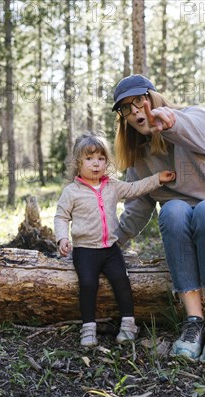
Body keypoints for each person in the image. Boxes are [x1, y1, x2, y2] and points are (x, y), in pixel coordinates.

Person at [111, 74, 205, 366]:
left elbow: (192, 127)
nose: (136, 110)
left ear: (153, 96)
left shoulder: (196, 118)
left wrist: (171, 121)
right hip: (187, 230)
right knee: (173, 209)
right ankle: (193, 322)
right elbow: (137, 208)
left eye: (140, 100)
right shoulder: (141, 157)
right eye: (126, 107)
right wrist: (109, 243)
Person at [54, 132, 175, 347]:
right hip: (85, 251)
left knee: (122, 281)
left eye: (101, 158)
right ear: (77, 163)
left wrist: (157, 178)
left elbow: (135, 188)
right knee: (88, 285)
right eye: (89, 159)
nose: (95, 164)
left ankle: (128, 325)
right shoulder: (71, 191)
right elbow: (61, 217)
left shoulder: (112, 185)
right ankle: (88, 328)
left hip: (110, 248)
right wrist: (62, 238)